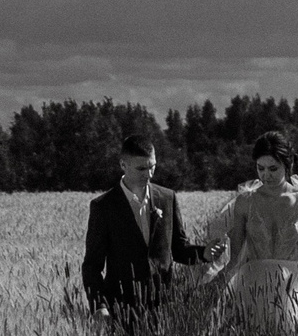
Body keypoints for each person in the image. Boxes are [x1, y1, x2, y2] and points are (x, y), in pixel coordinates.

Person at [199, 130, 298, 326]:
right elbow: (235, 256)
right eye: (260, 168)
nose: (266, 175)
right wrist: (217, 282)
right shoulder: (245, 201)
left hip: (292, 287)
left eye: (273, 168)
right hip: (251, 285)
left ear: (287, 165)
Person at [81, 134, 206, 318]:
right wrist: (99, 305)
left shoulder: (167, 198)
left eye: (152, 167)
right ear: (123, 165)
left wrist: (205, 253)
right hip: (122, 310)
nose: (148, 174)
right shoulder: (104, 206)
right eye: (141, 168)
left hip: (164, 308)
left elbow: (179, 249)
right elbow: (92, 265)